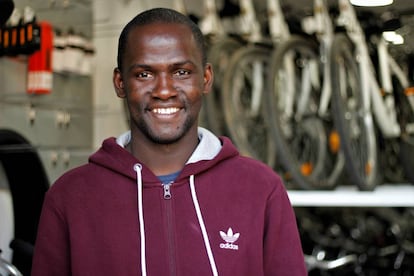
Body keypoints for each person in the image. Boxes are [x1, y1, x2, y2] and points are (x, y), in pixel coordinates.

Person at [31, 7, 307, 276]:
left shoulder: (260, 189)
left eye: (181, 72)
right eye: (144, 74)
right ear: (120, 83)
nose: (164, 90)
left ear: (206, 78)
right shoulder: (70, 197)